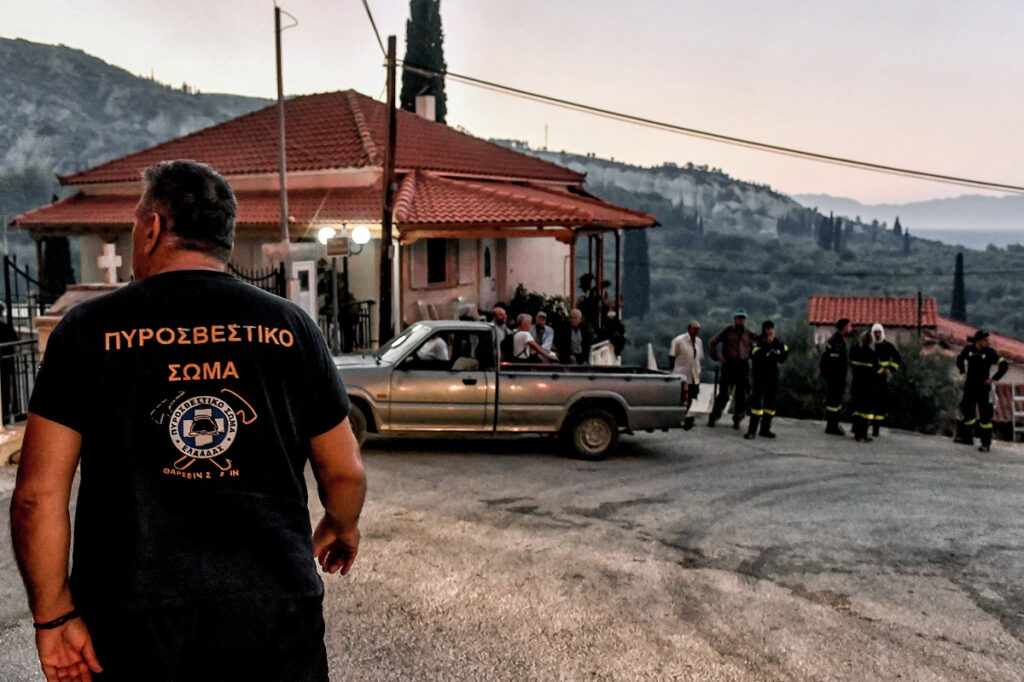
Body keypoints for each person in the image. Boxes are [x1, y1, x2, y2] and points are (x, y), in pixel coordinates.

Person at [10, 160, 367, 682]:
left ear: (152, 229)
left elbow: (36, 497)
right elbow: (345, 472)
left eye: (136, 224)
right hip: (272, 614)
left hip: (131, 620)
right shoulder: (291, 329)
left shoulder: (87, 332)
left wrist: (54, 616)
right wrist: (342, 523)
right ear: (224, 239)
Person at [954, 329, 1008, 452]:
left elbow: (1004, 365)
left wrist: (994, 379)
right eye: (985, 340)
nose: (987, 342)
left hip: (983, 388)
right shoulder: (969, 350)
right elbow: (959, 359)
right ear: (979, 341)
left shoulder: (990, 353)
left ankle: (985, 444)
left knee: (985, 417)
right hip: (970, 387)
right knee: (967, 412)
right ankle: (966, 438)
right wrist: (963, 372)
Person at [706, 308, 755, 429]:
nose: (740, 320)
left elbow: (757, 345)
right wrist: (717, 357)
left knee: (741, 395)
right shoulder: (727, 331)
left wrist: (752, 356)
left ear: (745, 319)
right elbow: (712, 342)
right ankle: (714, 415)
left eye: (742, 318)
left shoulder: (749, 333)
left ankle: (738, 418)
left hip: (743, 365)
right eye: (739, 318)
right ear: (735, 319)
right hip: (729, 364)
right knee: (724, 393)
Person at [745, 320, 787, 439]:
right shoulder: (756, 341)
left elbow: (784, 352)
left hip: (772, 377)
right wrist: (767, 351)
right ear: (764, 330)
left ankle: (765, 429)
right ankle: (752, 430)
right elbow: (753, 353)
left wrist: (775, 351)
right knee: (757, 405)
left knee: (770, 405)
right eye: (767, 329)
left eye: (771, 329)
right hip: (759, 377)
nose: (769, 331)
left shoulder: (777, 342)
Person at [820, 317, 853, 436]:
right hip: (835, 378)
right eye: (850, 326)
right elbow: (833, 361)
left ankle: (834, 424)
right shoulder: (836, 342)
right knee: (833, 402)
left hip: (837, 378)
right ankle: (832, 426)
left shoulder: (839, 341)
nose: (851, 329)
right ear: (844, 328)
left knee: (835, 403)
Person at [669, 320, 703, 430]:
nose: (696, 332)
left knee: (691, 395)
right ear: (689, 329)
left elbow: (699, 357)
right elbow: (672, 356)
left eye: (698, 329)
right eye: (694, 329)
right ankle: (681, 416)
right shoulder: (679, 341)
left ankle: (686, 416)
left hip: (694, 374)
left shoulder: (698, 342)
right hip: (682, 373)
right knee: (683, 396)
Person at [870, 323, 902, 437]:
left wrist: (891, 369)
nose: (877, 334)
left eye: (879, 332)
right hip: (870, 379)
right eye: (875, 332)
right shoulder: (870, 345)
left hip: (882, 379)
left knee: (879, 404)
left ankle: (876, 428)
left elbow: (897, 358)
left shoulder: (888, 346)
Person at [849, 330, 881, 442]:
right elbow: (877, 370)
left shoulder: (855, 352)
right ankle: (863, 434)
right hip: (868, 387)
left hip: (856, 384)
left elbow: (851, 364)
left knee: (857, 409)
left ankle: (856, 432)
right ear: (871, 341)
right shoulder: (873, 354)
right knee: (865, 411)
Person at [0, 301, 20, 423]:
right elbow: (17, 348)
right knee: (7, 391)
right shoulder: (7, 328)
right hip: (6, 365)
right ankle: (7, 416)